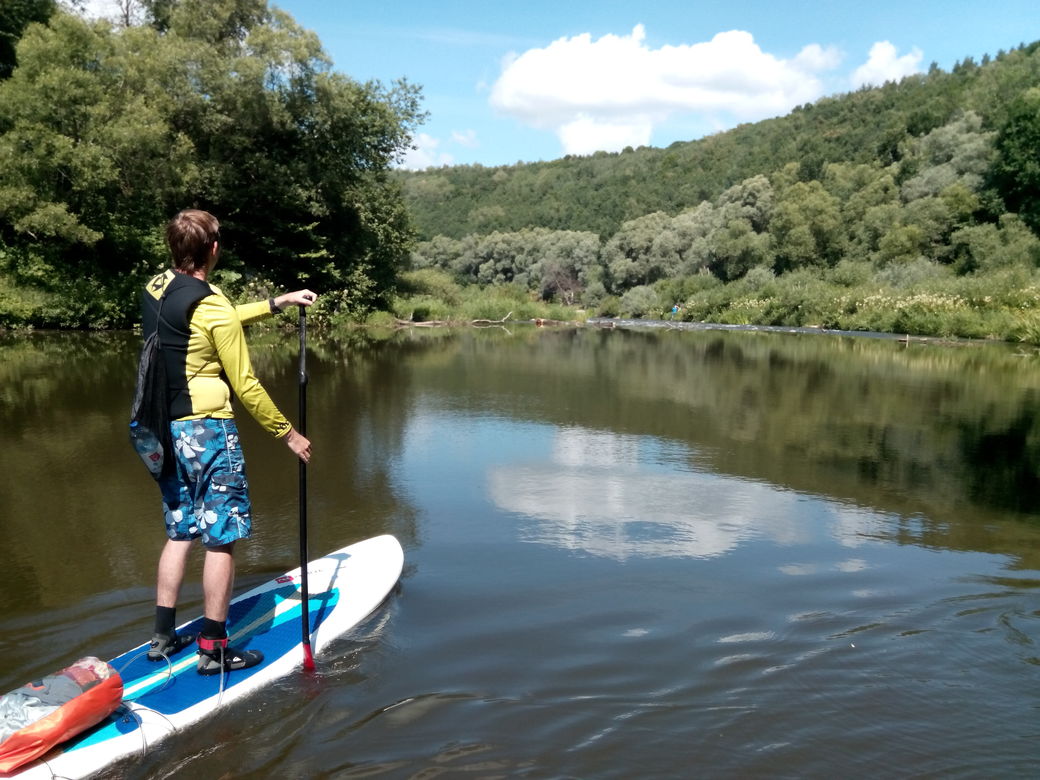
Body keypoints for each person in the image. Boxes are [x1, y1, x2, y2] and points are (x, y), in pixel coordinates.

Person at [141, 209, 316, 675]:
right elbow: (247, 385)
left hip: (163, 428)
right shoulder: (211, 302)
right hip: (206, 429)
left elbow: (209, 321)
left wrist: (276, 303)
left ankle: (162, 636)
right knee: (222, 537)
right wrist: (289, 434)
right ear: (214, 249)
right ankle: (214, 649)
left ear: (174, 248)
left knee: (181, 529)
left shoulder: (158, 286)